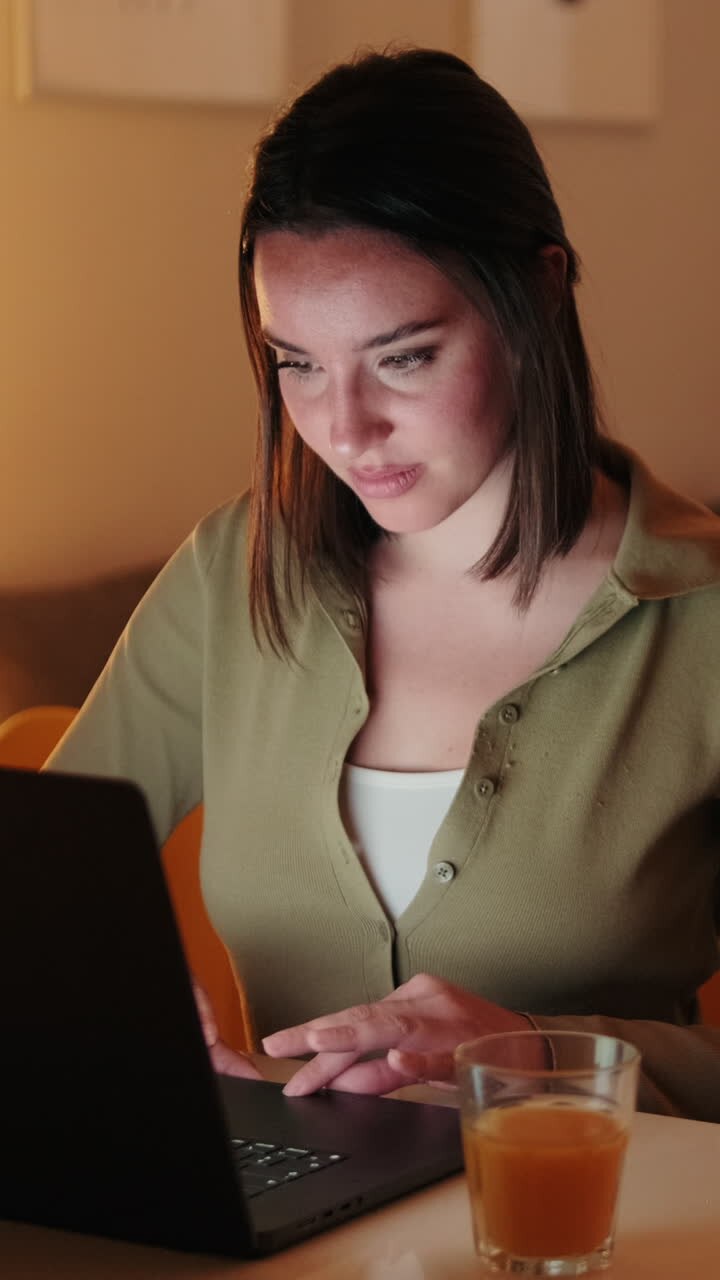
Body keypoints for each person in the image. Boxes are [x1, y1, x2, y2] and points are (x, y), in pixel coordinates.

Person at [45, 47, 720, 1121]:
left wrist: (537, 1053)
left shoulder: (701, 620)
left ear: (539, 293)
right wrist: (102, 1001)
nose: (343, 431)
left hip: (587, 1230)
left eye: (404, 356)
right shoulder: (234, 574)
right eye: (297, 362)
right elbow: (38, 881)